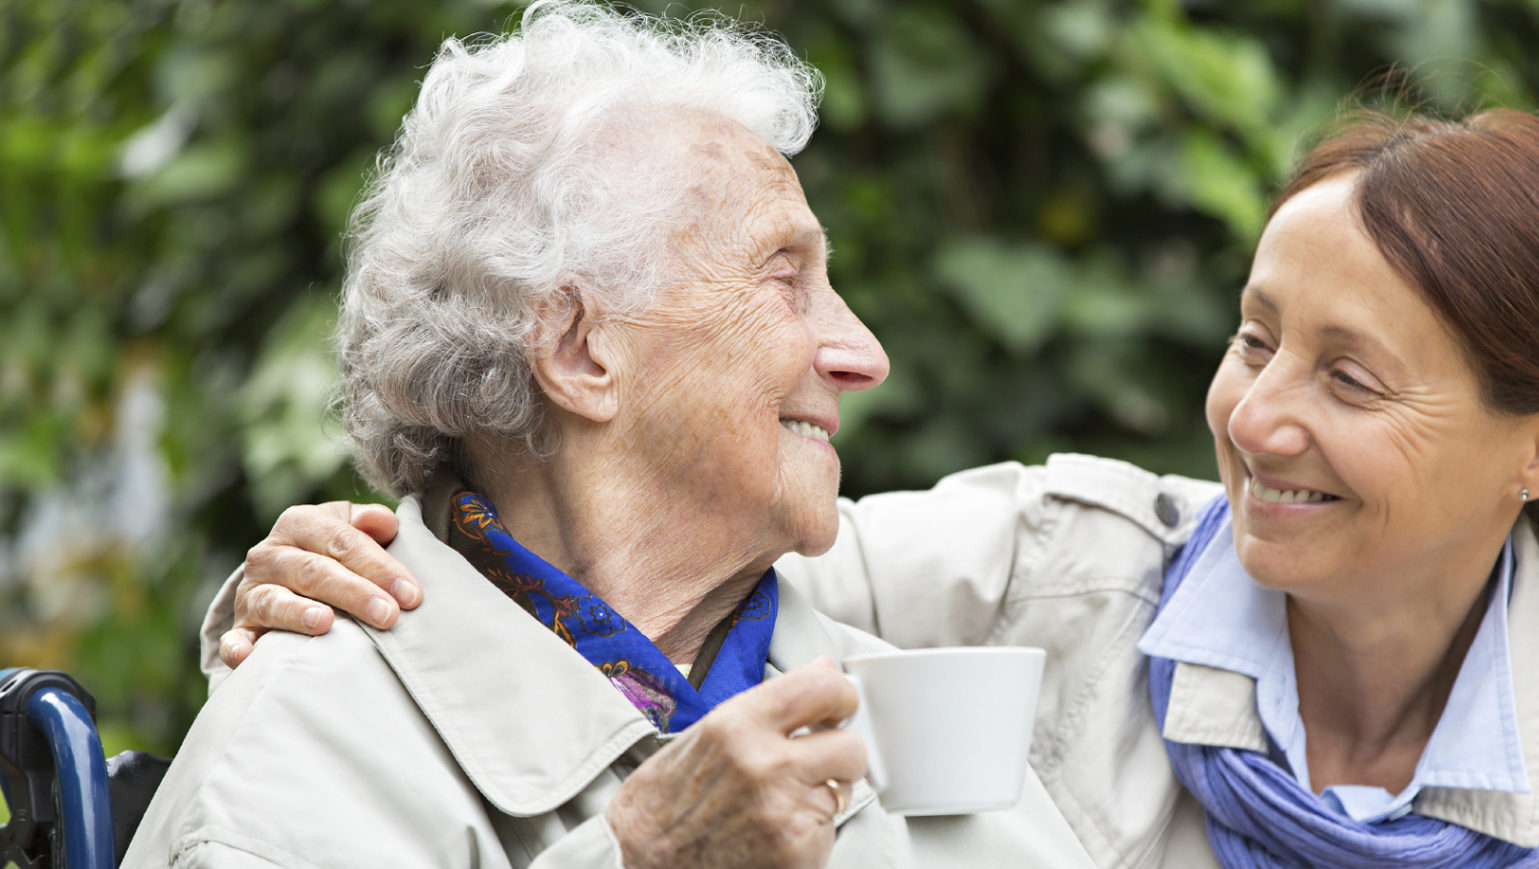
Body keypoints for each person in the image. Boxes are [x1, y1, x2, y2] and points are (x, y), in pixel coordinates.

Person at [203, 107, 1539, 866]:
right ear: (579, 349)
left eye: (1348, 380)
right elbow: (619, 576)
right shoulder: (1060, 572)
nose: (1254, 418)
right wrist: (323, 579)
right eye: (1254, 338)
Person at [121, 4, 1097, 867]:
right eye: (784, 278)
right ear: (583, 351)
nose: (861, 351)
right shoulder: (304, 749)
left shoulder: (912, 709)